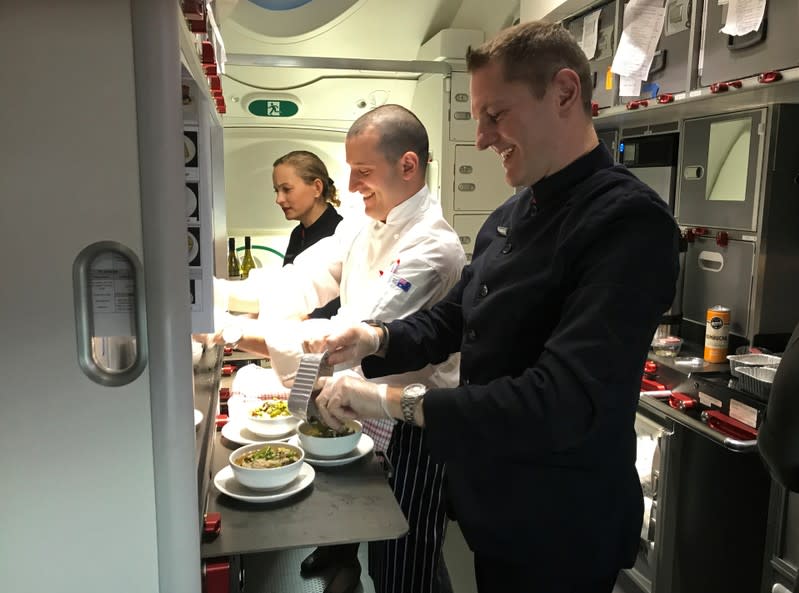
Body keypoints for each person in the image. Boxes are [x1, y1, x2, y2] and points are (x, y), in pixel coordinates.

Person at [309, 21, 681, 593]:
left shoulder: (626, 223)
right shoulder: (511, 214)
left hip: (562, 527)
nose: (481, 138)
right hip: (495, 508)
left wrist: (390, 400)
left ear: (563, 93)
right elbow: (455, 319)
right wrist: (374, 339)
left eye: (495, 115)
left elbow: (560, 400)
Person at [216, 104, 466, 593]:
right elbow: (299, 281)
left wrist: (230, 334)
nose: (350, 185)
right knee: (383, 551)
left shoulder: (432, 248)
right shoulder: (361, 222)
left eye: (363, 172)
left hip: (413, 425)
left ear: (408, 166)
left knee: (406, 560)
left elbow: (351, 335)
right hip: (367, 410)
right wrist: (213, 297)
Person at [273, 149, 343, 319]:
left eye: (286, 189)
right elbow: (289, 289)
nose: (279, 199)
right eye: (276, 191)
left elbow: (336, 304)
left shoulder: (340, 233)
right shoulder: (298, 234)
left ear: (317, 188)